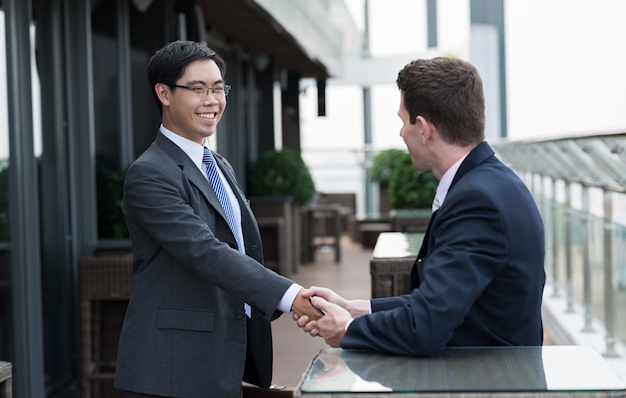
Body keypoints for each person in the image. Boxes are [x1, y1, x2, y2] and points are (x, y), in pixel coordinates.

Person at [296, 56, 546, 356]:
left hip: (485, 381)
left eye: (403, 121)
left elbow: (425, 327)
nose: (401, 132)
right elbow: (445, 301)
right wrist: (356, 309)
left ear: (425, 129)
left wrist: (346, 330)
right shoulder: (491, 183)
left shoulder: (477, 202)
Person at [114, 40, 322, 398]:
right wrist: (290, 296)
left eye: (218, 88)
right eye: (197, 89)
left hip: (228, 351)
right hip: (172, 369)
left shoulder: (219, 165)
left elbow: (241, 247)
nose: (212, 100)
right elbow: (204, 251)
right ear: (163, 93)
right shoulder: (150, 173)